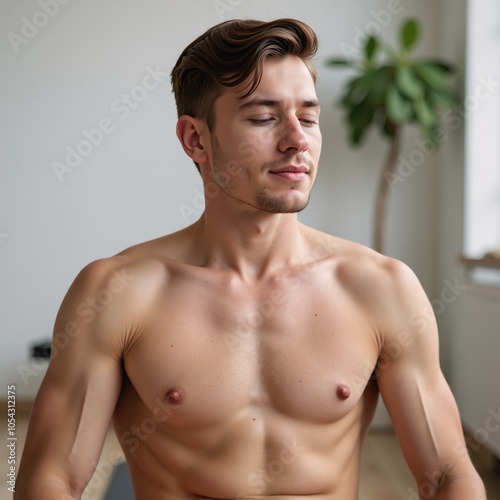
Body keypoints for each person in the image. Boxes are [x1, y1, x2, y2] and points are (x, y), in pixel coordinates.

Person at [16, 18, 486, 499]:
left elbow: (450, 474)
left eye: (308, 117)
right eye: (264, 118)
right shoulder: (117, 292)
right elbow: (50, 477)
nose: (297, 140)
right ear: (195, 140)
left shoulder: (382, 288)